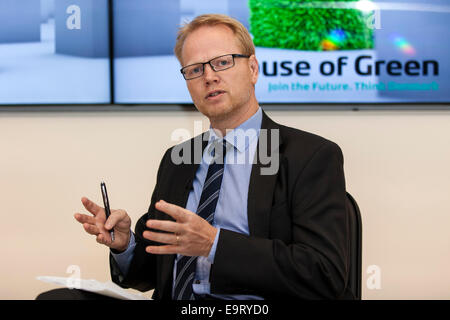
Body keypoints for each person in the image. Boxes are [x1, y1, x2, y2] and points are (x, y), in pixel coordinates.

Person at [39, 14, 352, 300]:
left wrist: (215, 245)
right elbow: (151, 275)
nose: (209, 77)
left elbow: (324, 275)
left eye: (223, 62)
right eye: (195, 69)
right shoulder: (178, 159)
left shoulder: (309, 156)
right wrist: (126, 245)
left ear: (253, 69)